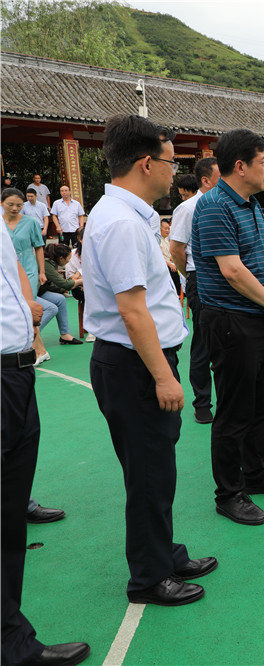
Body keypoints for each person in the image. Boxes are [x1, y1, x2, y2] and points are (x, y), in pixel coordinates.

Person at [83, 114, 217, 606]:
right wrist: (163, 375)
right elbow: (132, 310)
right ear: (146, 163)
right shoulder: (120, 222)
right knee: (147, 473)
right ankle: (149, 578)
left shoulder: (128, 215)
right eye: (169, 160)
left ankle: (165, 552)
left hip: (141, 361)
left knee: (157, 467)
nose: (172, 170)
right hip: (136, 365)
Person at [192, 128, 264, 526]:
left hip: (259, 317)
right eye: (263, 162)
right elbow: (232, 271)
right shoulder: (215, 206)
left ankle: (256, 473)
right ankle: (229, 492)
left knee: (263, 401)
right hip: (230, 321)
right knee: (235, 411)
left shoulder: (250, 204)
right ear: (240, 166)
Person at [2, 230, 91, 666]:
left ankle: (9, 638)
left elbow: (12, 268)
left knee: (9, 517)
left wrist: (27, 307)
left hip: (17, 369)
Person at [168, 156, 220, 425]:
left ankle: (226, 399)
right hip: (201, 278)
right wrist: (190, 277)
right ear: (205, 180)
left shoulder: (228, 203)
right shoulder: (188, 209)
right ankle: (202, 403)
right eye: (220, 175)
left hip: (227, 279)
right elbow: (176, 249)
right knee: (203, 343)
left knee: (227, 341)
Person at [3, 188, 54, 365]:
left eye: (18, 205)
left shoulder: (31, 222)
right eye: (10, 204)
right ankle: (38, 350)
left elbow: (39, 247)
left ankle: (38, 351)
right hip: (8, 272)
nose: (14, 208)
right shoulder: (0, 224)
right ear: (2, 204)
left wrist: (41, 272)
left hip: (29, 269)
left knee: (28, 307)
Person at [38, 244, 83, 346]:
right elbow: (63, 284)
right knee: (52, 308)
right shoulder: (46, 264)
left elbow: (53, 285)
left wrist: (69, 286)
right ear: (61, 258)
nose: (69, 261)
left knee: (60, 299)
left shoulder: (51, 263)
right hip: (31, 293)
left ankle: (65, 335)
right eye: (68, 259)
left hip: (39, 291)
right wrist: (80, 282)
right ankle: (32, 335)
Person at [159, 219, 182, 296]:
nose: (167, 230)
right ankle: (176, 293)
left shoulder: (166, 240)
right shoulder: (157, 240)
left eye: (168, 228)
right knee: (173, 271)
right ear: (159, 229)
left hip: (170, 263)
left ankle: (179, 293)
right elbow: (159, 257)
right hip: (163, 265)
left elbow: (170, 256)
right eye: (165, 228)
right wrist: (170, 264)